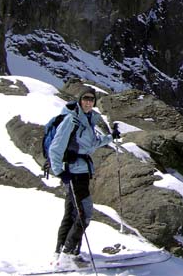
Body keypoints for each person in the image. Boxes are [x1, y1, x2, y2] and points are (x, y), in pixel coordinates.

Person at [49, 87, 121, 269]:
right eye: (85, 99)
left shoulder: (87, 120)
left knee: (71, 213)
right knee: (84, 212)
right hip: (73, 173)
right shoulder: (71, 120)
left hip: (80, 172)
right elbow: (55, 148)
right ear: (80, 100)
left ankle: (60, 252)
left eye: (92, 99)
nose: (89, 102)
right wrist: (60, 171)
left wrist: (110, 137)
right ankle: (68, 254)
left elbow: (92, 145)